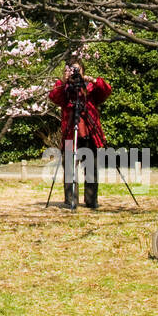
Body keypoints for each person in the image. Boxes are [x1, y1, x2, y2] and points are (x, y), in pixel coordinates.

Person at [48, 64, 110, 210]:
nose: (73, 73)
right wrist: (63, 82)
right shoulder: (64, 89)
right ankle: (70, 200)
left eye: (76, 70)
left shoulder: (89, 87)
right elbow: (53, 97)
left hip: (89, 132)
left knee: (91, 168)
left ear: (83, 72)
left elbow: (106, 90)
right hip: (70, 133)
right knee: (69, 168)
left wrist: (93, 80)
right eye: (69, 70)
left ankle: (91, 200)